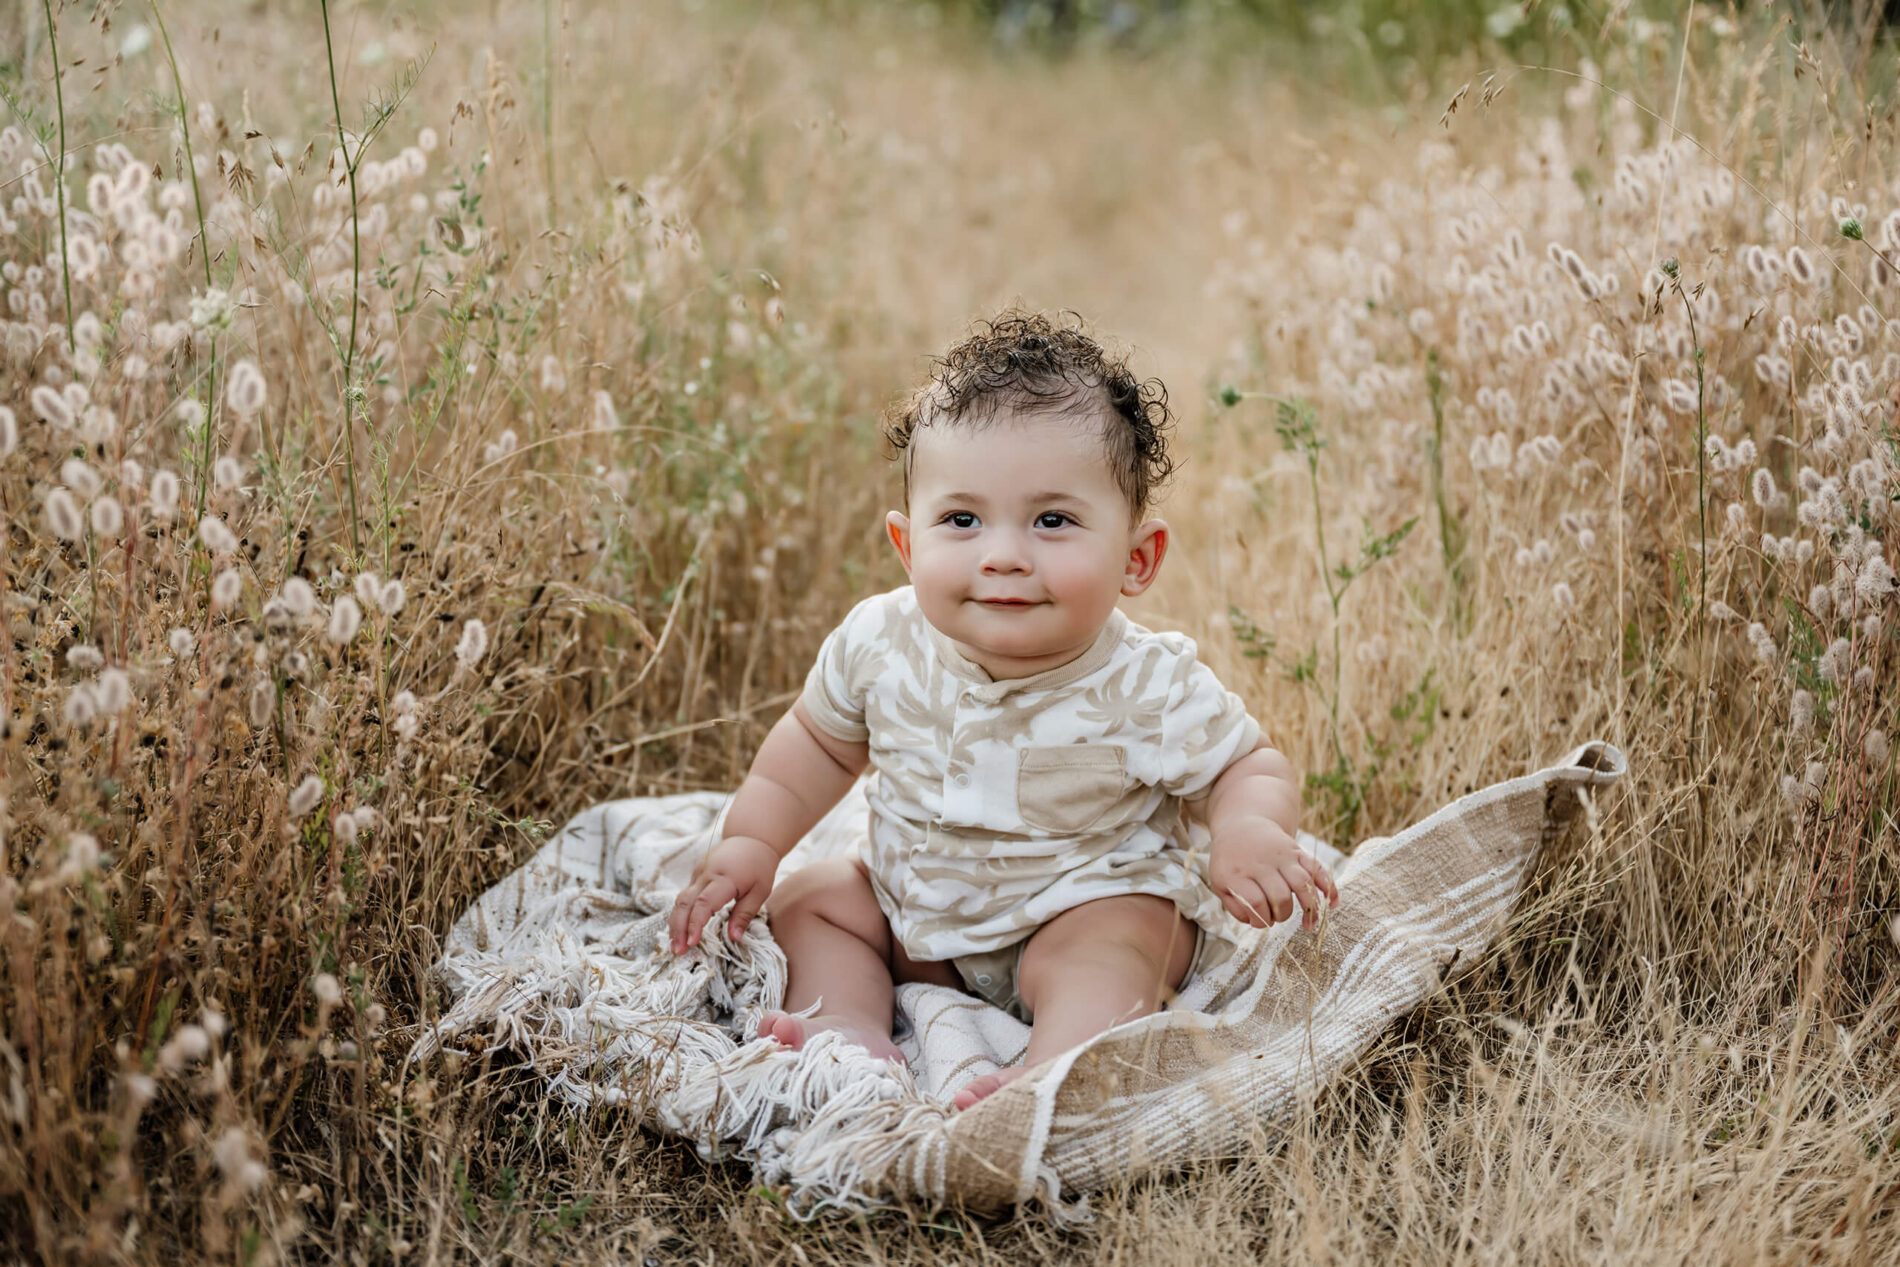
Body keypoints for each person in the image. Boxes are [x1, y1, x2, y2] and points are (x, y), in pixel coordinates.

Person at [666, 309, 1336, 1108]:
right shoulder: (880, 641)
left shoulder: (1147, 683)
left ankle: (1051, 1076)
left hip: (1074, 912)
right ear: (908, 546)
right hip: (914, 914)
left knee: (1126, 938)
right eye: (961, 519)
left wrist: (1249, 829)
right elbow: (815, 742)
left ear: (1136, 558)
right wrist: (752, 840)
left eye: (1052, 520)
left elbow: (1244, 763)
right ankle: (847, 1032)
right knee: (812, 899)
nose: (1004, 553)